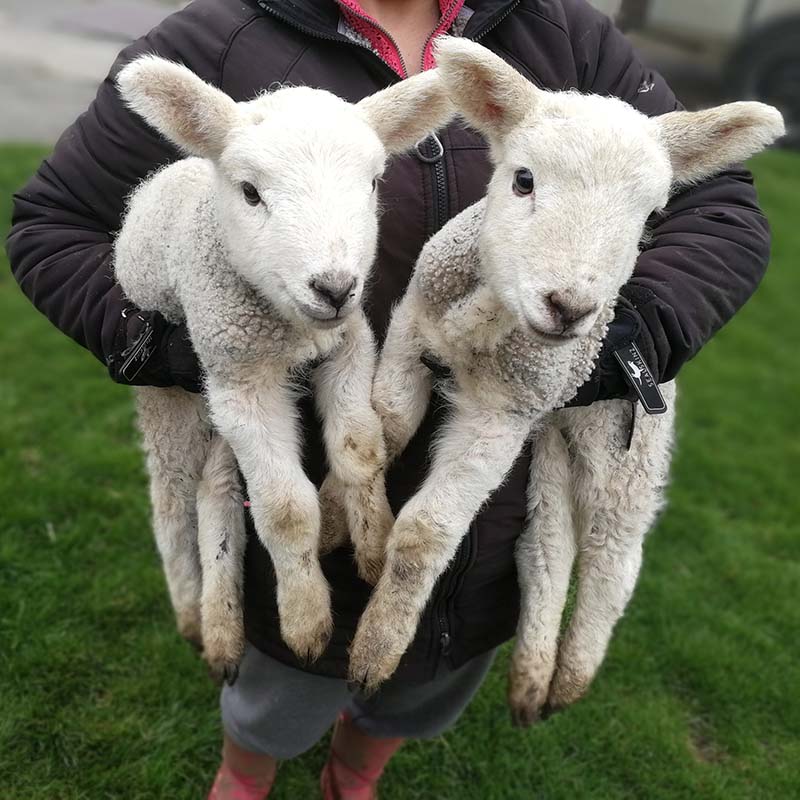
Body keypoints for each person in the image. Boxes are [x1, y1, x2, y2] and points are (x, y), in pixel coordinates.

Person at [6, 1, 773, 798]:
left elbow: (717, 210)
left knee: (423, 687)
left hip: (483, 508)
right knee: (277, 702)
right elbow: (54, 224)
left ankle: (355, 774)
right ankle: (245, 776)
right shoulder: (216, 39)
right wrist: (177, 347)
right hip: (287, 484)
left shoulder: (560, 32)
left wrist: (618, 345)